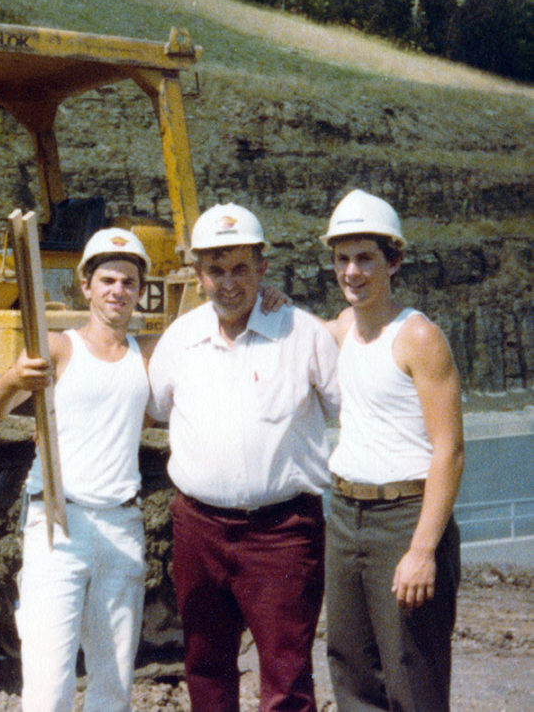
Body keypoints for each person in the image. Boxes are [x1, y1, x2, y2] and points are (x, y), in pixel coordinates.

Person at [147, 203, 340, 712]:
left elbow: (355, 403)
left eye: (240, 268)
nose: (228, 283)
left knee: (287, 679)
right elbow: (149, 409)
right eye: (215, 270)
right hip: (199, 530)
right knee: (205, 668)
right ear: (198, 275)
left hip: (283, 533)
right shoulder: (180, 339)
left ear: (262, 268)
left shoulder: (303, 334)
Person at [0, 227, 151, 712]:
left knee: (113, 683)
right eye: (108, 280)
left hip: (121, 526)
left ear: (140, 291)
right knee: (49, 684)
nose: (118, 291)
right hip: (58, 522)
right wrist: (15, 377)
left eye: (129, 282)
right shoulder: (56, 347)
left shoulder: (146, 356)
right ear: (87, 286)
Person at [321, 189, 464, 711]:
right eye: (342, 258)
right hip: (344, 515)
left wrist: (422, 550)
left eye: (365, 258)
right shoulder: (341, 330)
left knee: (411, 672)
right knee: (351, 668)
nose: (352, 271)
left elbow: (448, 450)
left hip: (403, 519)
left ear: (394, 260)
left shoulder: (419, 337)